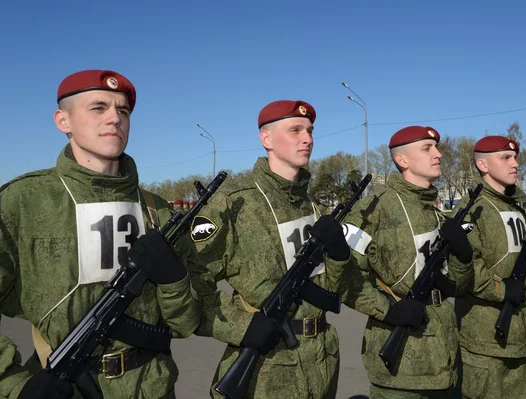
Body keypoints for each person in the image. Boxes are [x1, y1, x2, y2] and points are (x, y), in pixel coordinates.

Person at [0, 70, 201, 398]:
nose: (114, 119)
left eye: (123, 110)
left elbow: (184, 325)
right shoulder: (23, 202)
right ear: (62, 120)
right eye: (98, 108)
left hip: (154, 387)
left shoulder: (156, 210)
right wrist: (12, 384)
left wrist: (174, 281)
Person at [191, 100, 351, 398]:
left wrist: (340, 258)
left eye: (310, 130)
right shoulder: (234, 204)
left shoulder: (314, 207)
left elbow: (331, 290)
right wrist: (241, 327)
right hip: (267, 372)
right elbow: (189, 282)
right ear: (266, 139)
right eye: (295, 130)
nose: (308, 139)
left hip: (322, 362)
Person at [342, 126, 474, 399]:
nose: (438, 154)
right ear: (402, 160)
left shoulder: (436, 213)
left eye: (436, 147)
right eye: (427, 148)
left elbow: (457, 285)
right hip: (402, 367)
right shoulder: (374, 208)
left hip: (443, 358)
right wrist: (388, 310)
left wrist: (463, 257)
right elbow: (345, 275)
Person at [452, 136, 526, 399]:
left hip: (520, 335)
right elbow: (465, 270)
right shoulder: (472, 210)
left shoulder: (518, 209)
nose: (516, 164)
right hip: (484, 339)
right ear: (483, 165)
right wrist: (501, 290)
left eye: (515, 157)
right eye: (506, 158)